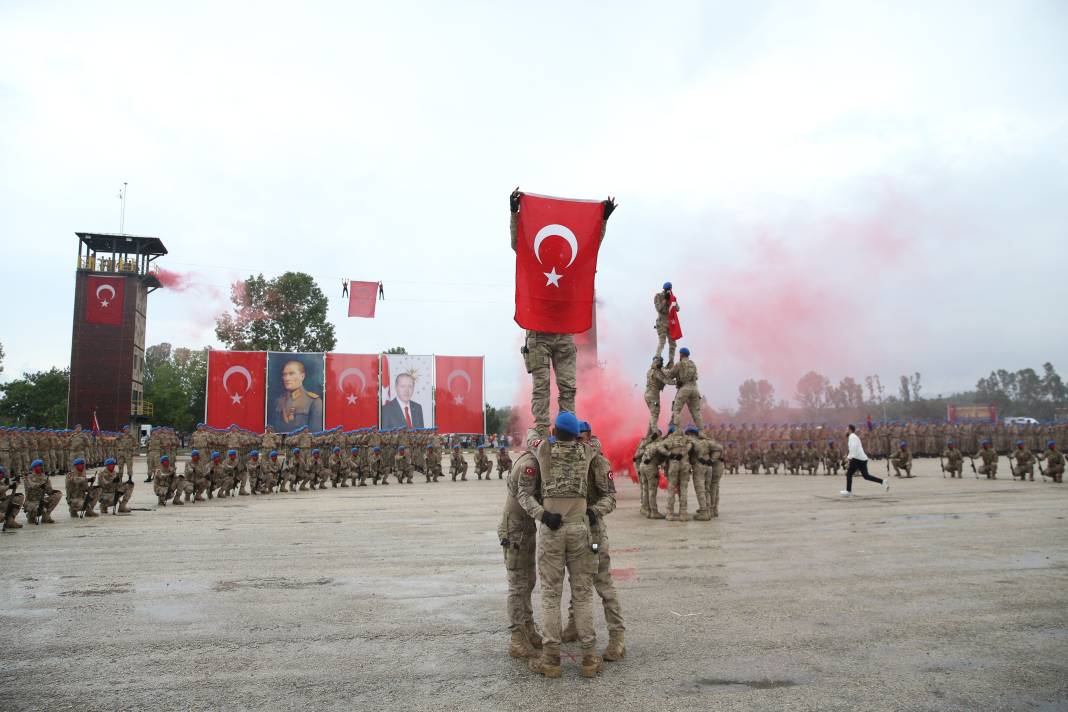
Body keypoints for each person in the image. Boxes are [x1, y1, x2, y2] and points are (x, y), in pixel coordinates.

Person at [510, 188, 616, 434]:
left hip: (564, 334)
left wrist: (602, 220)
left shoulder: (572, 267)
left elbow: (591, 246)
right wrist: (515, 213)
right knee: (542, 385)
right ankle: (540, 430)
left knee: (568, 387)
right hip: (538, 333)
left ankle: (566, 431)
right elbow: (519, 243)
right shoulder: (535, 263)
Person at [516, 412, 611, 679]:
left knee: (550, 595)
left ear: (555, 432)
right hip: (580, 530)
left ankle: (551, 659)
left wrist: (542, 515)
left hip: (552, 528)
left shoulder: (544, 449)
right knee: (582, 594)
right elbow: (598, 442)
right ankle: (590, 658)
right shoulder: (586, 451)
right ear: (576, 435)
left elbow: (529, 437)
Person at [500, 429, 543, 660]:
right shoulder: (530, 464)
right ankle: (517, 639)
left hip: (524, 528)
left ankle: (528, 629)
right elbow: (526, 498)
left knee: (529, 580)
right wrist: (546, 515)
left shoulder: (533, 460)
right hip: (516, 529)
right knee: (518, 584)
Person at [271, 360, 324, 432]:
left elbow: (315, 433)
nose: (287, 378)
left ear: (302, 376)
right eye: (284, 374)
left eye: (291, 374)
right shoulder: (279, 401)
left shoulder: (314, 401)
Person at [841, 424, 889, 497]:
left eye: (846, 429)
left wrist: (849, 458)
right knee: (866, 476)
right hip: (862, 458)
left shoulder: (852, 436)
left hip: (857, 458)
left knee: (849, 473)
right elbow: (852, 449)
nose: (845, 430)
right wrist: (849, 457)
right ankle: (882, 482)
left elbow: (853, 449)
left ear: (850, 430)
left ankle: (848, 491)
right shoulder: (853, 437)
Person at [664, 347, 704, 429]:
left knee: (676, 409)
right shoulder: (693, 364)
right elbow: (696, 377)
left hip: (684, 389)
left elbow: (669, 375)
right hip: (695, 389)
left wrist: (662, 369)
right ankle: (702, 432)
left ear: (681, 354)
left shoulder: (680, 364)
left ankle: (677, 431)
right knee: (696, 412)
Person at [644, 356, 673, 433]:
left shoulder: (649, 371)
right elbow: (666, 380)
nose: (662, 364)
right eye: (661, 362)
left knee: (653, 414)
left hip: (647, 395)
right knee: (655, 414)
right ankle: (655, 432)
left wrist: (666, 367)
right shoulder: (656, 373)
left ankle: (649, 433)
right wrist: (677, 383)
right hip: (653, 397)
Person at [653, 282, 678, 365]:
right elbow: (659, 309)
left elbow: (677, 309)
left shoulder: (672, 297)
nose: (668, 291)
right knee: (662, 340)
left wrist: (672, 300)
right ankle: (657, 357)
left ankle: (671, 361)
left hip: (670, 324)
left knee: (673, 344)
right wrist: (665, 300)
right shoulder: (658, 296)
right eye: (667, 289)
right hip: (661, 323)